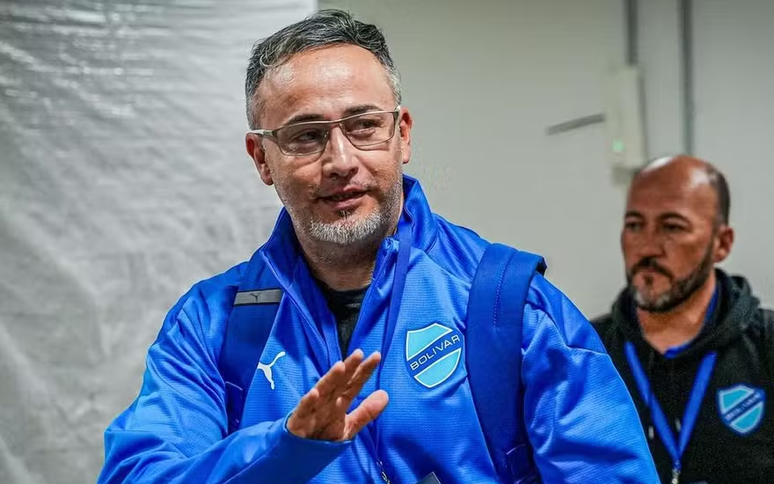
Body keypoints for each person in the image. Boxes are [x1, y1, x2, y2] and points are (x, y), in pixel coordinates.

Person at [98, 10, 658, 484]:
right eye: (306, 135)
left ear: (402, 134)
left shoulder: (507, 305)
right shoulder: (210, 325)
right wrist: (283, 450)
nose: (341, 161)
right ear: (261, 159)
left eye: (363, 125)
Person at [593, 155, 774, 483]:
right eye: (634, 225)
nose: (647, 247)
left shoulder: (767, 344)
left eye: (672, 227)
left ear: (722, 243)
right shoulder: (586, 353)